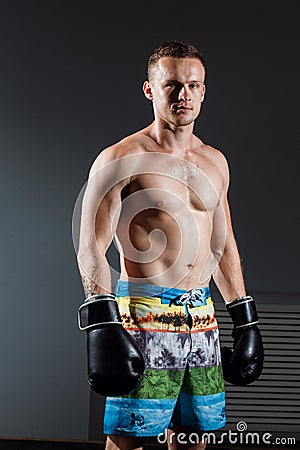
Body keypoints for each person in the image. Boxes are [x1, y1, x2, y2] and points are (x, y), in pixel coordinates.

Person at [76, 40, 264, 450]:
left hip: (202, 314)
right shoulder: (120, 158)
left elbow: (225, 244)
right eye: (172, 86)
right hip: (145, 311)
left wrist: (243, 315)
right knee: (130, 441)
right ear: (149, 90)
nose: (185, 96)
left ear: (204, 90)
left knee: (196, 438)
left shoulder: (215, 161)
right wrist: (102, 322)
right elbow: (90, 245)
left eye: (194, 85)